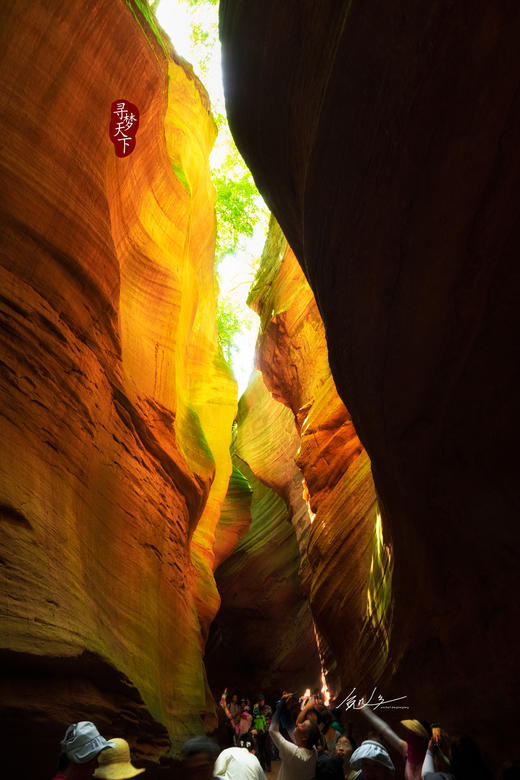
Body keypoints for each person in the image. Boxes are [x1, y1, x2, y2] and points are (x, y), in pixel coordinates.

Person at [357, 702, 429, 780]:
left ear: (423, 740)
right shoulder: (408, 750)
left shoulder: (430, 755)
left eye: (414, 735)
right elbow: (385, 731)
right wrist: (365, 710)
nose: (409, 737)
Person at [270, 693, 320, 780]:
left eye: (302, 725)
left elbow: (272, 730)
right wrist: (283, 709)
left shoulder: (294, 754)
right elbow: (290, 728)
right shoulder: (313, 752)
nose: (299, 724)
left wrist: (280, 704)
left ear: (305, 737)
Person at [253, 694, 272, 772]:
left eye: (262, 700)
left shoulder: (268, 707)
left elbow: (271, 715)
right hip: (259, 732)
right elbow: (254, 717)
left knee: (267, 749)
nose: (261, 702)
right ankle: (262, 766)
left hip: (266, 732)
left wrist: (267, 713)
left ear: (264, 700)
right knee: (260, 750)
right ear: (258, 701)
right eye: (260, 701)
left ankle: (269, 765)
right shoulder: (255, 709)